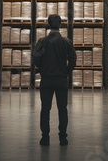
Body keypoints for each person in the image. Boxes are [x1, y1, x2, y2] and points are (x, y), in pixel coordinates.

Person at [33, 14, 76, 146]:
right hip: (61, 80)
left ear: (48, 24)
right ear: (60, 24)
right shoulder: (67, 42)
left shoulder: (42, 41)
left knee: (45, 109)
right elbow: (73, 59)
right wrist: (66, 72)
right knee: (62, 109)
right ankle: (63, 138)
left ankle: (45, 138)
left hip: (46, 80)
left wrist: (43, 69)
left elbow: (35, 58)